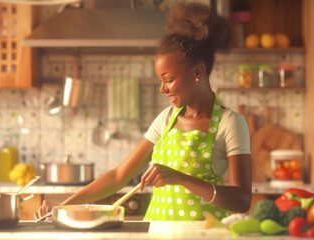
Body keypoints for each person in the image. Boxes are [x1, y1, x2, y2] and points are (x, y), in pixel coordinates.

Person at [35, 2, 252, 221]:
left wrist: (182, 178)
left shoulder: (230, 123)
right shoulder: (166, 119)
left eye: (168, 79)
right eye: (161, 80)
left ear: (197, 71)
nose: (162, 88)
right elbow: (118, 176)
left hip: (203, 235)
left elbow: (242, 201)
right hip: (157, 233)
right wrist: (63, 207)